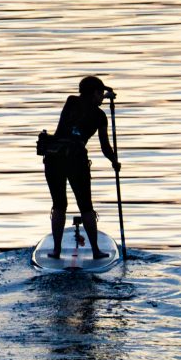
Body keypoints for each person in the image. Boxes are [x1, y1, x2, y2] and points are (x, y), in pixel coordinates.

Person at [43, 75, 119, 260]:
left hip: (54, 157)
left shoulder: (70, 102)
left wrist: (105, 95)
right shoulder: (100, 116)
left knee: (59, 205)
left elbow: (84, 103)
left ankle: (56, 251)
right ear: (94, 93)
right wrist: (114, 161)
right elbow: (105, 147)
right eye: (100, 93)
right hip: (76, 161)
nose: (102, 97)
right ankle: (95, 251)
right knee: (86, 206)